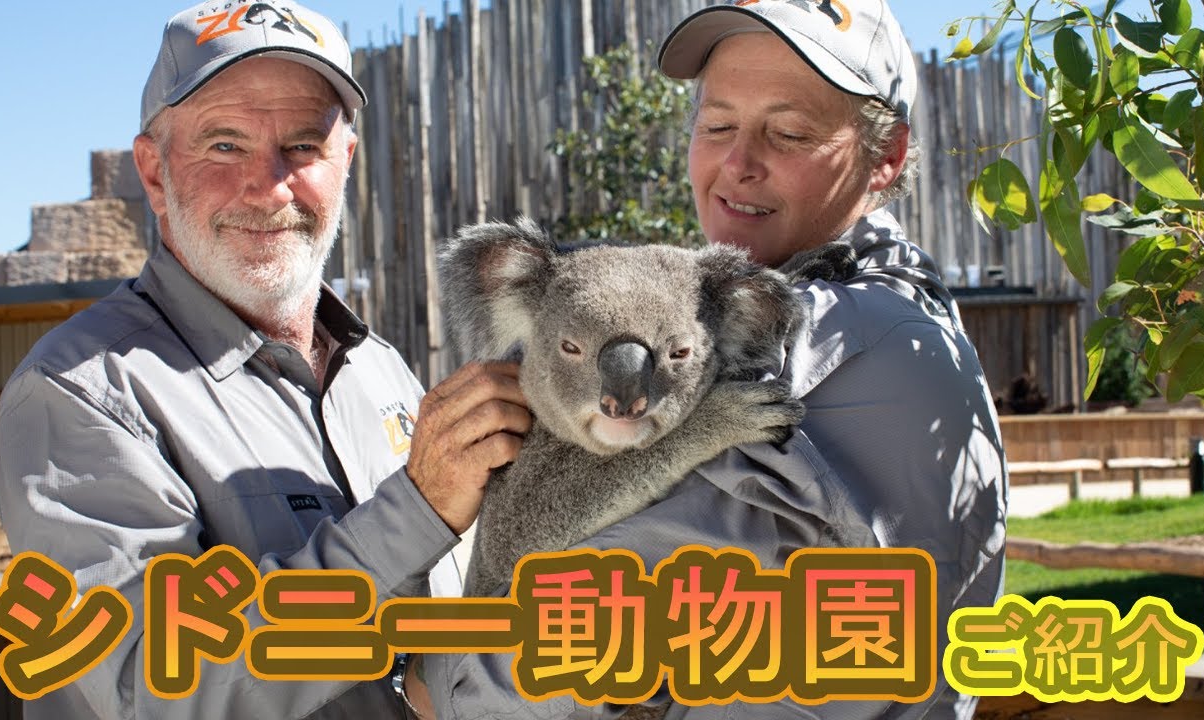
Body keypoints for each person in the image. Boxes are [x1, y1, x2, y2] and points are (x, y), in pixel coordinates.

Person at [415, 1, 1007, 719]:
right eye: (716, 124)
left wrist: (432, 674)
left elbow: (528, 670)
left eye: (788, 132)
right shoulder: (905, 312)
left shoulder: (827, 347)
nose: (737, 163)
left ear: (885, 156)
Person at [0, 1, 532, 718]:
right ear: (153, 173)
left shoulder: (382, 374)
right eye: (223, 146)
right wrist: (420, 509)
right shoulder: (81, 392)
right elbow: (151, 681)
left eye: (304, 146)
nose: (269, 184)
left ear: (346, 162)